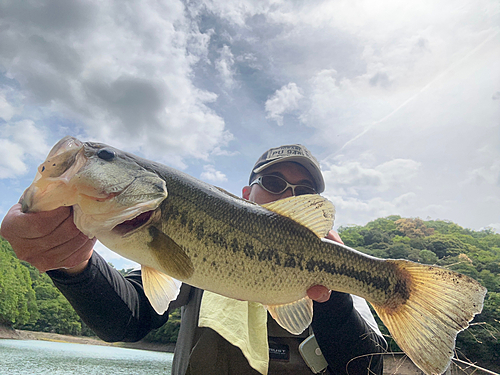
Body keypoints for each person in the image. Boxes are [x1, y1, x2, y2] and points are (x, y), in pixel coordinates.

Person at [1, 144, 386, 375]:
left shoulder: (340, 275)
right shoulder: (192, 261)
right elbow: (127, 319)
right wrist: (72, 264)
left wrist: (335, 297)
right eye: (272, 183)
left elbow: (367, 369)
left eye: (302, 190)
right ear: (245, 193)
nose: (286, 193)